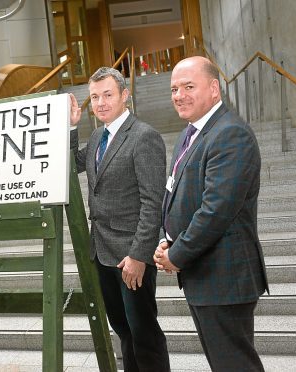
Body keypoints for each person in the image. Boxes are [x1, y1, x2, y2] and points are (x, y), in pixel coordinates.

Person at [154, 56, 269, 371]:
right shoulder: (191, 133)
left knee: (234, 365)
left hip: (225, 277)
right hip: (204, 276)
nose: (179, 95)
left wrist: (177, 253)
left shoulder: (231, 134)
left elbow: (215, 211)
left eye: (189, 86)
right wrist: (168, 239)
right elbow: (178, 194)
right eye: (174, 88)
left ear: (215, 89)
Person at [70, 67, 170, 372]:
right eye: (95, 97)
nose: (100, 102)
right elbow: (72, 165)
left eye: (108, 95)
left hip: (131, 255)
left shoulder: (144, 137)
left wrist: (139, 256)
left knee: (144, 333)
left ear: (124, 96)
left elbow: (153, 203)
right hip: (102, 252)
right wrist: (71, 129)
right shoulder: (100, 135)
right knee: (124, 331)